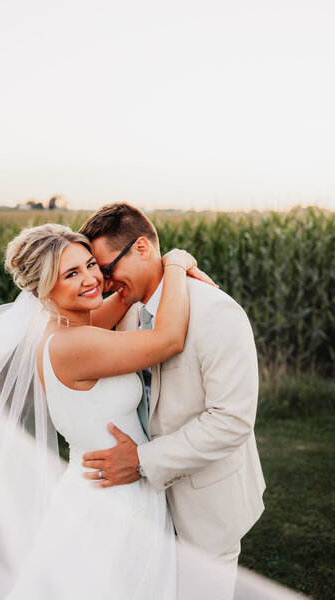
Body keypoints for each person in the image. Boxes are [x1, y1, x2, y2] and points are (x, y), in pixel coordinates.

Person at [0, 223, 210, 600]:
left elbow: (122, 301)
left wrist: (130, 282)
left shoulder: (67, 328)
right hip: (112, 502)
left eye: (91, 265)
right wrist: (177, 264)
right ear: (44, 288)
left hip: (104, 489)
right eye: (71, 273)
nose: (90, 279)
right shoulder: (72, 344)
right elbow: (168, 338)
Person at [79, 203, 266, 600]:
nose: (105, 284)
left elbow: (231, 420)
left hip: (206, 508)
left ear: (142, 248)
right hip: (144, 511)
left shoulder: (216, 312)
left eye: (107, 270)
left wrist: (142, 461)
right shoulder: (128, 311)